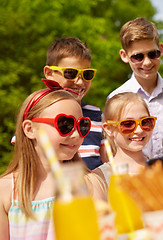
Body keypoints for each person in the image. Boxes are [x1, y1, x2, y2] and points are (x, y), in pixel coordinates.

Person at [0, 85, 107, 239]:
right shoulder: (5, 191)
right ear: (30, 129)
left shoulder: (89, 185)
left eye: (82, 126)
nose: (77, 135)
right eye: (65, 124)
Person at [107, 17, 163, 159]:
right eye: (138, 57)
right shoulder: (115, 98)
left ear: (161, 50)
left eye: (153, 54)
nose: (147, 62)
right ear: (124, 56)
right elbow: (112, 148)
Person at [43, 36, 105, 170]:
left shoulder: (96, 114)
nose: (80, 82)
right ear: (49, 73)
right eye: (70, 73)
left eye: (87, 74)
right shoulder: (36, 112)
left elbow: (107, 159)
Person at [95, 92, 157, 183]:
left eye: (145, 122)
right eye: (128, 124)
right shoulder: (99, 177)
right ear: (109, 129)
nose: (139, 130)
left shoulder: (161, 168)